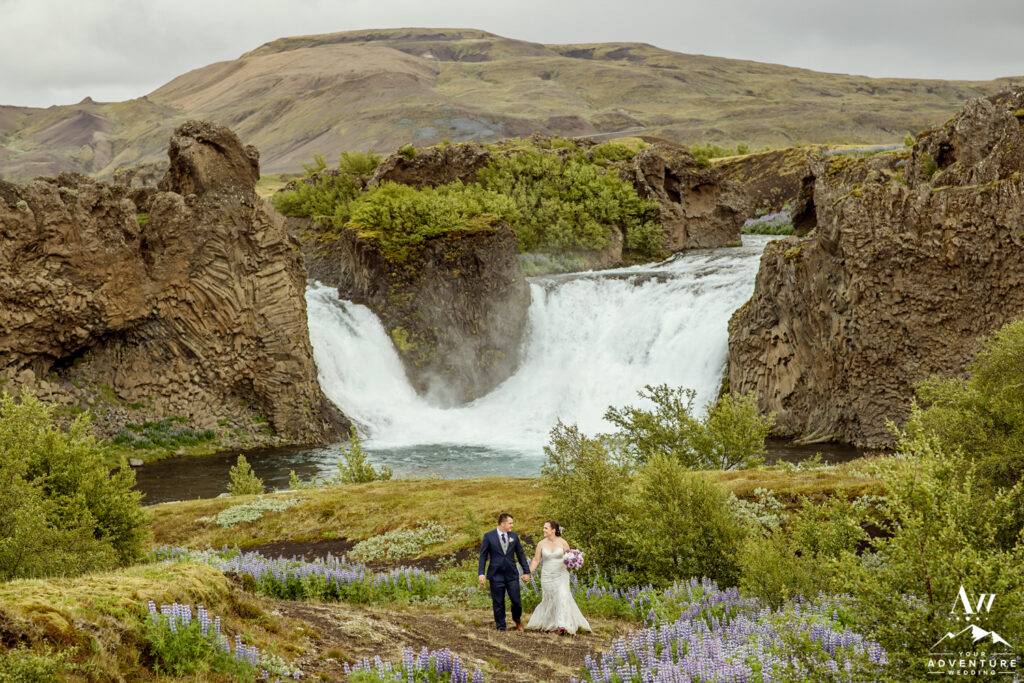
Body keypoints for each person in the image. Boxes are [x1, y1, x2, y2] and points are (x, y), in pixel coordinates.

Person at [525, 520, 591, 635]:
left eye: (546, 528)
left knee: (562, 596)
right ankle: (553, 624)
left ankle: (562, 625)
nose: (543, 530)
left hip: (561, 574)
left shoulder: (563, 542)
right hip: (547, 575)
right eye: (543, 528)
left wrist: (575, 561)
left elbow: (569, 557)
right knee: (550, 599)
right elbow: (536, 560)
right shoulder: (541, 544)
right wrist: (528, 572)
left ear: (553, 530)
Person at [478, 513, 532, 631]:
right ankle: (501, 626)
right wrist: (481, 574)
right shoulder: (488, 536)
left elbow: (520, 554)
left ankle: (517, 620)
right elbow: (483, 556)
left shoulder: (514, 536)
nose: (512, 525)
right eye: (510, 523)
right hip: (495, 575)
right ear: (502, 524)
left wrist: (527, 572)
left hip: (511, 574)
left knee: (516, 601)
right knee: (498, 602)